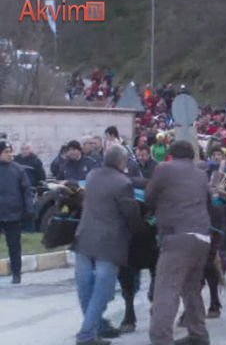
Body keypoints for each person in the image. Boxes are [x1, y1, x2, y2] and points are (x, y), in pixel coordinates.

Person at [73, 145, 143, 345]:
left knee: (85, 287)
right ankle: (86, 335)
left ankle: (97, 327)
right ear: (122, 162)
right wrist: (140, 230)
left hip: (84, 237)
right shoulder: (123, 183)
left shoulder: (92, 176)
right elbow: (131, 214)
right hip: (109, 244)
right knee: (102, 290)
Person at [146, 141, 212, 345]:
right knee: (191, 288)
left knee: (166, 289)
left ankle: (161, 339)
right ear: (192, 157)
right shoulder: (201, 174)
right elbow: (208, 201)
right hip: (202, 237)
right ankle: (198, 335)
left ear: (170, 155)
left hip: (177, 236)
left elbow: (149, 197)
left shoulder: (164, 168)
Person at [0, 141, 34, 284]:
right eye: (6, 152)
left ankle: (16, 274)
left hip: (13, 213)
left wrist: (29, 209)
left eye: (10, 152)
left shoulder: (18, 170)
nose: (9, 155)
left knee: (14, 245)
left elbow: (26, 190)